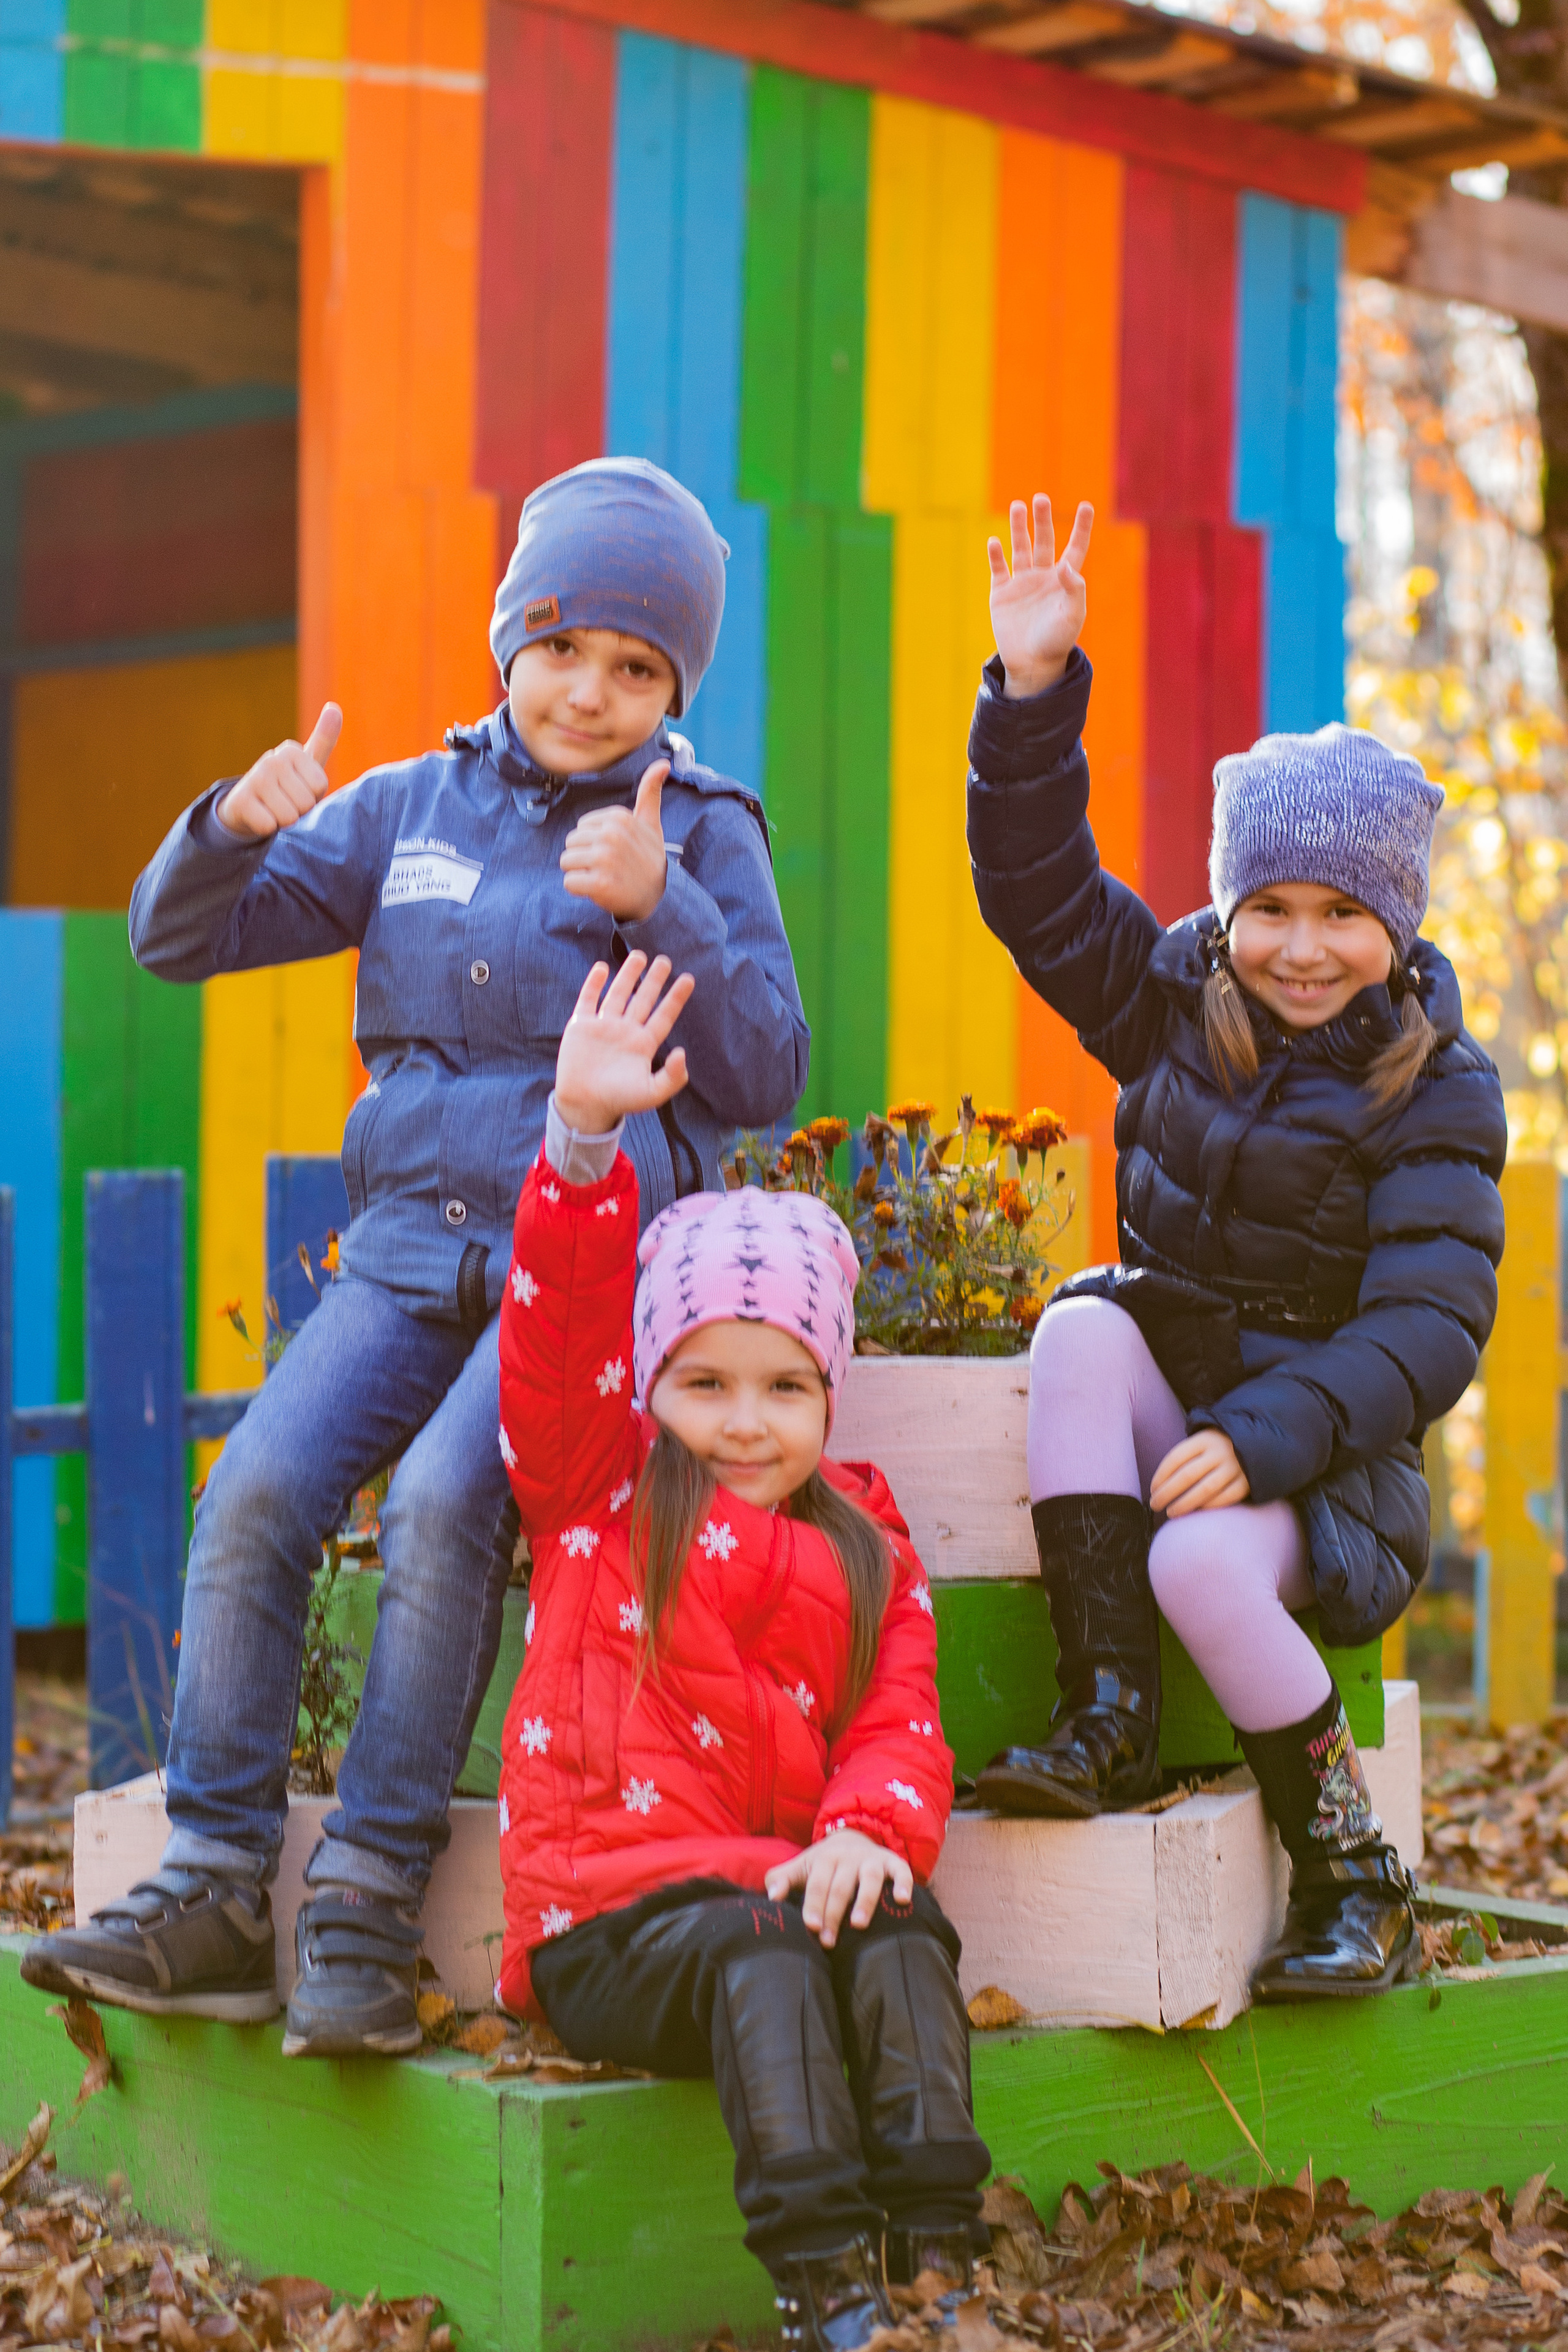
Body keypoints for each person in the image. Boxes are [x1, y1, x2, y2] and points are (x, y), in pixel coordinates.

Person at [21, 458, 809, 2059]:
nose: (588, 692)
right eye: (563, 646)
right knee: (256, 1490)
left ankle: (368, 1905)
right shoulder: (408, 808)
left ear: (676, 690)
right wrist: (226, 831)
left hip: (573, 1268)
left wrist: (670, 909)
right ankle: (213, 1884)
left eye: (636, 667)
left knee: (450, 1504)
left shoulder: (699, 829)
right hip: (398, 1259)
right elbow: (178, 938)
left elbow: (767, 1072)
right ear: (511, 636)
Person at [965, 493, 1505, 2001]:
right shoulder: (1171, 1007)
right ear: (1225, 909)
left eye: (1340, 912)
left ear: (1394, 924)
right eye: (1266, 906)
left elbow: (1426, 1330)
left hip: (1326, 1467)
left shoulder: (1434, 1089)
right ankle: (1106, 1713)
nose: (1300, 946)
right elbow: (1036, 896)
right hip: (1186, 1397)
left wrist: (1260, 1442)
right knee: (1082, 1326)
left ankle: (1350, 1876)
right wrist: (1029, 693)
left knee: (1201, 1556)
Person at [494, 951, 990, 2351]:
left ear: (829, 1394)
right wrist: (580, 1143)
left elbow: (899, 1724)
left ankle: (936, 2252)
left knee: (899, 1924)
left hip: (773, 1888)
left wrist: (865, 1835)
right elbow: (557, 1339)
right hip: (606, 1924)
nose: (743, 1421)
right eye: (702, 1383)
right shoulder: (598, 1491)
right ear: (648, 1384)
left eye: (783, 1386)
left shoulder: (866, 1545)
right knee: (762, 1947)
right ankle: (823, 2281)